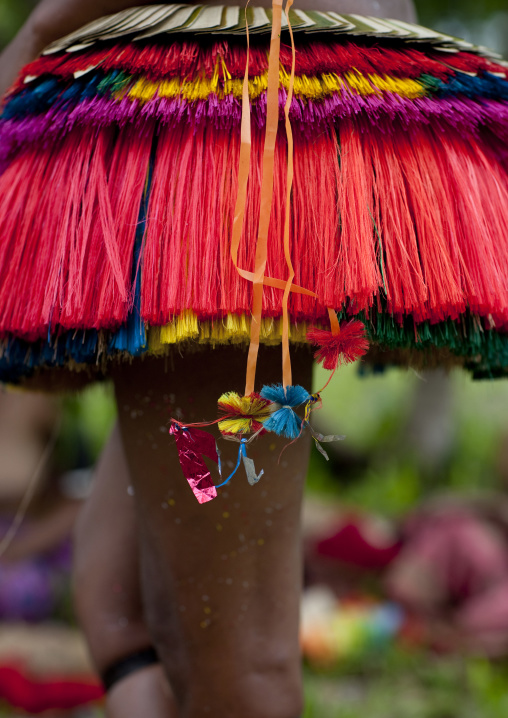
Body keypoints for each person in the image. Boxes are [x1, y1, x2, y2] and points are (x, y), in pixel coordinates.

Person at [3, 0, 506, 716]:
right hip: (272, 120)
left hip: (235, 135)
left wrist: (41, 32)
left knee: (237, 669)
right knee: (128, 614)